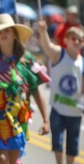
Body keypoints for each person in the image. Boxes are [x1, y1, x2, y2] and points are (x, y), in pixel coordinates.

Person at [0, 13, 50, 164]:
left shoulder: (27, 61)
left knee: (13, 160)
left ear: (15, 35)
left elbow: (36, 92)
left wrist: (46, 120)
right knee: (1, 159)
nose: (3, 34)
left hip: (18, 119)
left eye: (7, 30)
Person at [37, 20, 84, 164]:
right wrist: (43, 31)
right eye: (73, 38)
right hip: (58, 109)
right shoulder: (59, 54)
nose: (76, 42)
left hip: (75, 111)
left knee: (72, 145)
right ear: (66, 40)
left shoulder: (82, 62)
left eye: (80, 40)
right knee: (57, 143)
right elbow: (47, 46)